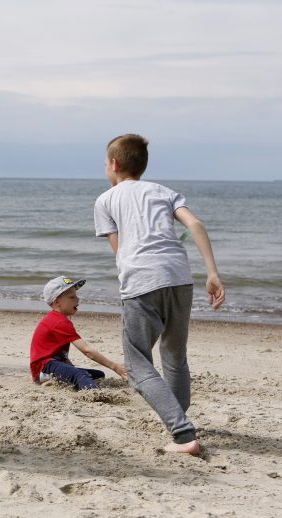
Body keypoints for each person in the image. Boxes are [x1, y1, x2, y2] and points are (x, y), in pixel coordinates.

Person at [95, 134, 226, 456]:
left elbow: (120, 250)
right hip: (180, 278)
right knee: (174, 355)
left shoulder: (106, 200)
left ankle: (183, 434)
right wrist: (212, 273)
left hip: (142, 281)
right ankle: (178, 419)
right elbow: (195, 224)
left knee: (138, 365)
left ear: (114, 164)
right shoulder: (164, 191)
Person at [30, 276, 127, 389]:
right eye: (72, 297)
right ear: (57, 302)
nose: (77, 299)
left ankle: (54, 381)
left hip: (53, 365)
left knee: (98, 375)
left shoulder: (60, 319)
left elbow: (61, 355)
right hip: (43, 368)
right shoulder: (58, 322)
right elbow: (87, 351)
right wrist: (115, 367)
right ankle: (93, 393)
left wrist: (70, 370)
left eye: (76, 295)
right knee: (80, 375)